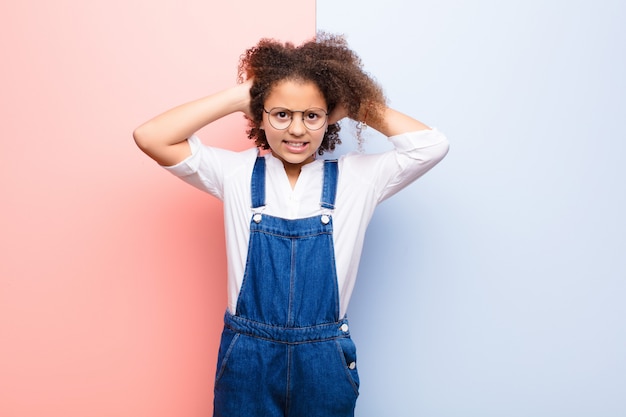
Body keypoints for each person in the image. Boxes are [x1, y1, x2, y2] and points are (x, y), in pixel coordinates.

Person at [133, 33, 449, 417]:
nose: (297, 130)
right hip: (249, 354)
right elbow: (151, 137)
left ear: (328, 118)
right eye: (281, 114)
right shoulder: (236, 172)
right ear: (259, 116)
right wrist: (242, 96)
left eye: (311, 115)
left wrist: (351, 105)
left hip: (323, 358)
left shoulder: (358, 178)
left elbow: (431, 146)